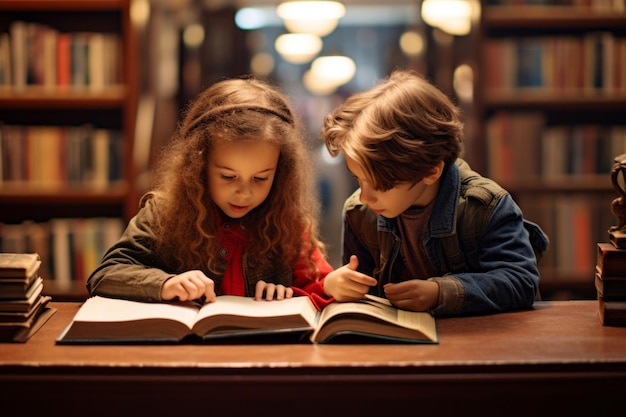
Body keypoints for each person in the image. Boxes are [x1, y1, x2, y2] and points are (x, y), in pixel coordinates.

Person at [87, 76, 356, 309]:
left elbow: (317, 286)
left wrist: (308, 291)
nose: (243, 192)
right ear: (198, 167)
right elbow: (105, 275)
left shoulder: (288, 221)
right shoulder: (164, 213)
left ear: (281, 173)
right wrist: (165, 283)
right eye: (228, 176)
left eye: (261, 178)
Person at [321, 69, 549, 317]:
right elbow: (361, 297)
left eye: (381, 184)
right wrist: (336, 285)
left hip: (480, 345)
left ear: (430, 171)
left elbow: (521, 282)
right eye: (359, 179)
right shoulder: (360, 213)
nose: (365, 197)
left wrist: (440, 292)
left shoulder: (485, 207)